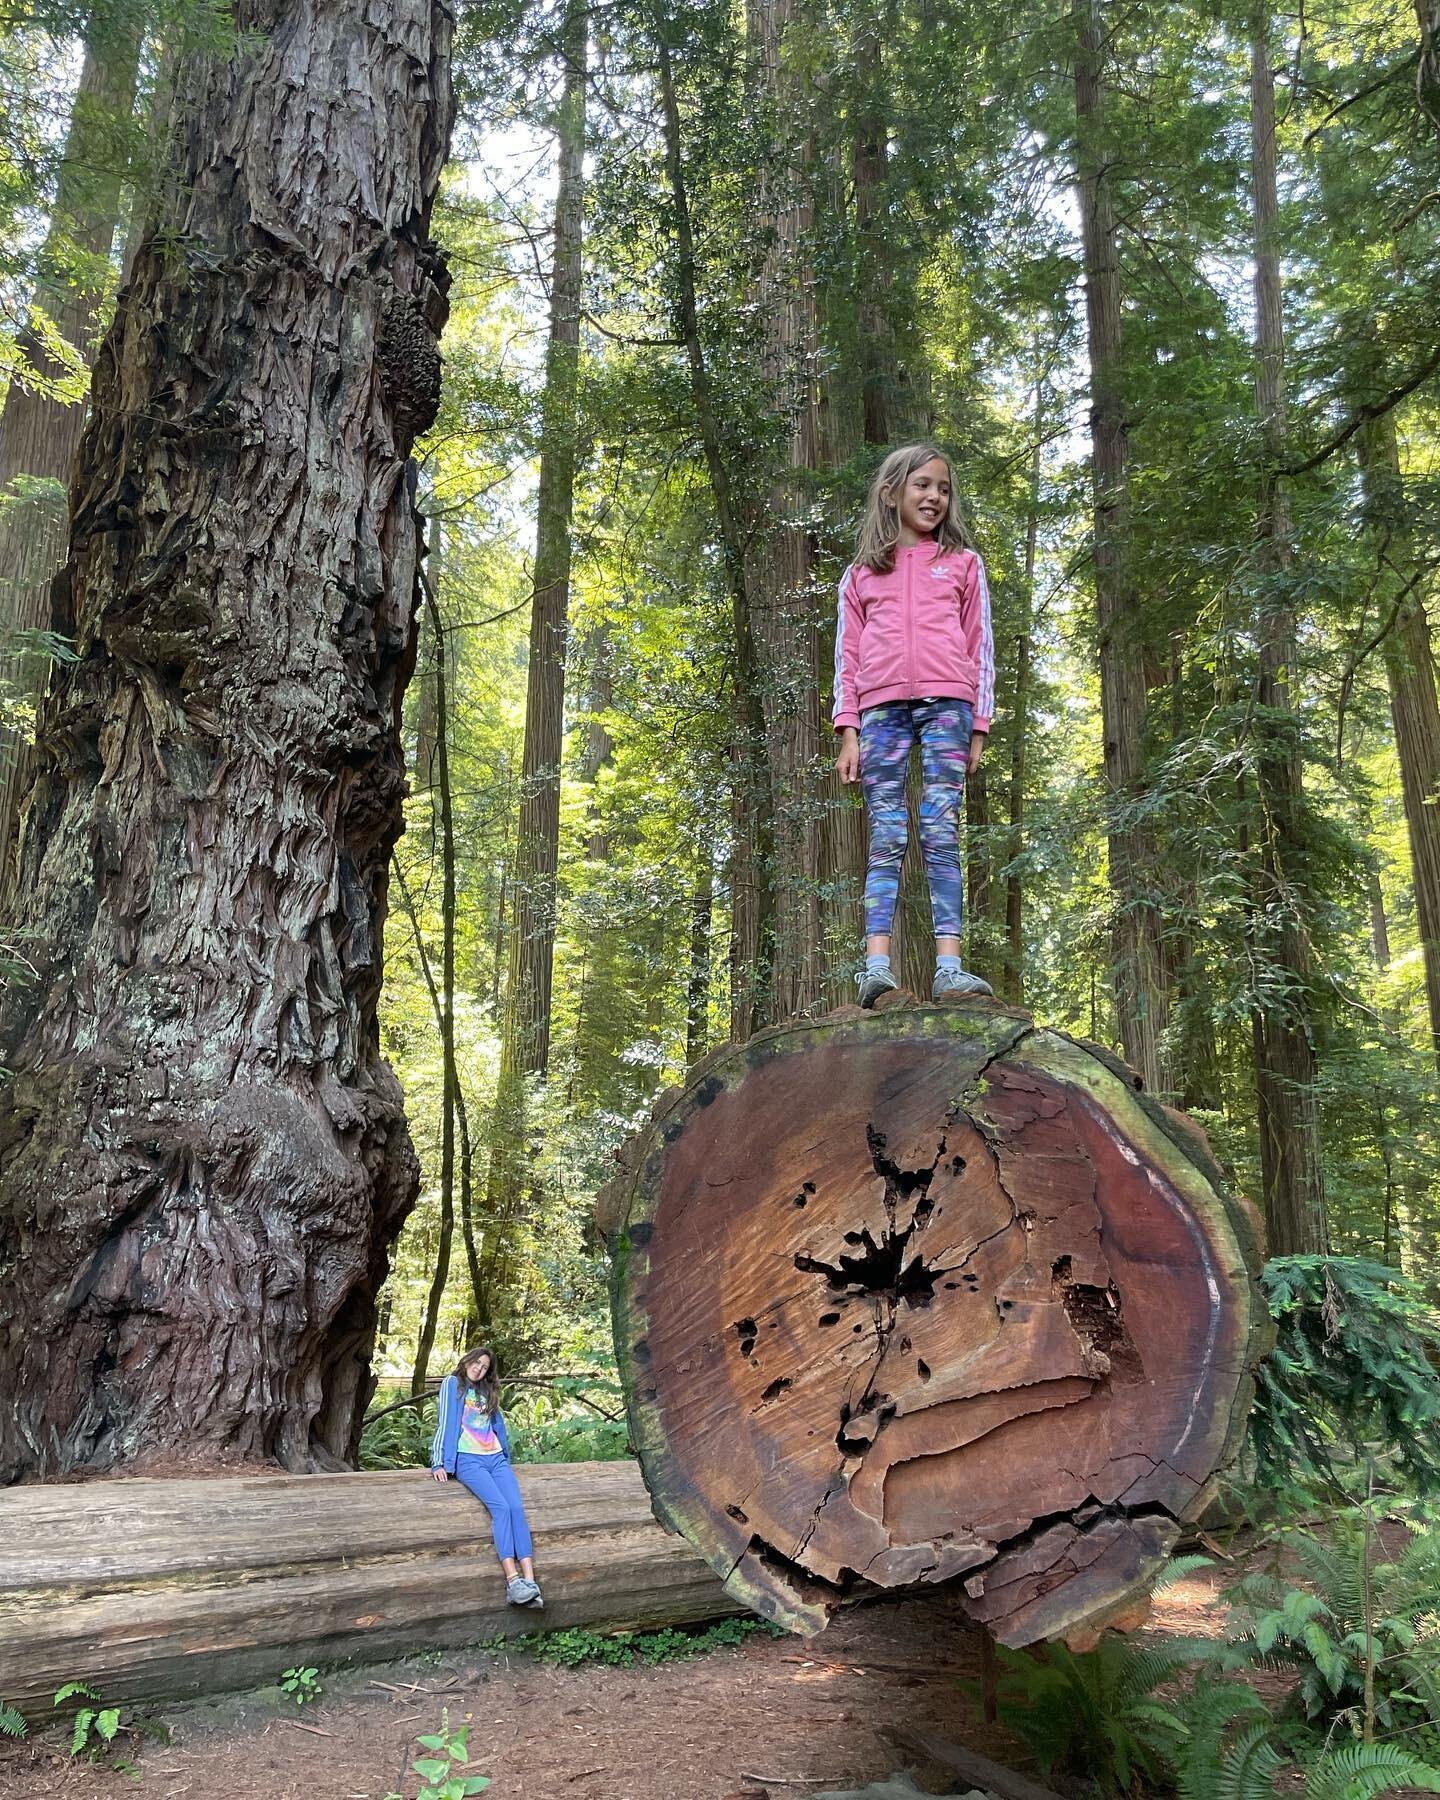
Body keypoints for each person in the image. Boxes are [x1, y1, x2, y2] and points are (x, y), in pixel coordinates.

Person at [833, 444, 996, 1008]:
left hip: (949, 705)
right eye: (922, 485)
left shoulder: (963, 564)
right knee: (886, 833)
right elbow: (846, 658)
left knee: (940, 827)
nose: (934, 497)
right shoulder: (860, 576)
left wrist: (979, 725)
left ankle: (949, 967)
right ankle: (876, 965)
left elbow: (981, 649)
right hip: (880, 711)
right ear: (892, 491)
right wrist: (847, 728)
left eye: (943, 489)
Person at [429, 1345, 543, 1608]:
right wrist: (438, 1462)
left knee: (516, 1508)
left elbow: (496, 1426)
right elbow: (445, 1422)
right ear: (468, 1360)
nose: (479, 1369)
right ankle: (513, 1582)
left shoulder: (486, 1391)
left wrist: (505, 1455)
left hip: (496, 1458)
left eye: (485, 1367)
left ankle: (531, 1582)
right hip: (469, 1461)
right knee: (501, 1509)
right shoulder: (452, 1384)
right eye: (476, 1363)